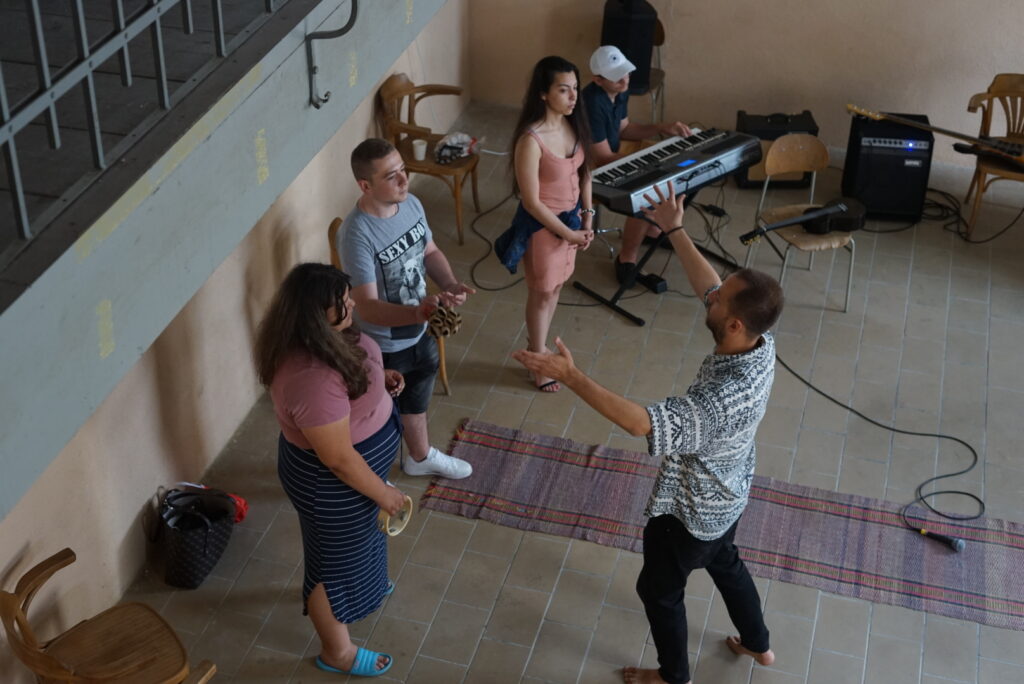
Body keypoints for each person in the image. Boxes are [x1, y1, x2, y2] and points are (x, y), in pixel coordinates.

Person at [513, 182, 784, 684]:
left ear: (733, 325)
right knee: (726, 561)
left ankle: (673, 676)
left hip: (690, 512)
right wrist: (675, 229)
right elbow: (711, 287)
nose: (710, 295)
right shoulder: (761, 341)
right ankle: (758, 643)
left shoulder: (718, 403)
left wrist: (571, 375)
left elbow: (641, 423)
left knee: (659, 591)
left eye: (719, 299)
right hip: (732, 492)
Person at [254, 263, 408, 677]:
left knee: (363, 536)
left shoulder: (329, 338)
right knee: (332, 567)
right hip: (332, 484)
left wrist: (379, 380)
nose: (352, 304)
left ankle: (368, 583)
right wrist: (384, 493)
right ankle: (337, 652)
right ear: (316, 315)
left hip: (356, 471)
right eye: (343, 302)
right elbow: (338, 459)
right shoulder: (310, 379)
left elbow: (350, 381)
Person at [338, 138, 474, 479]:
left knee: (417, 398)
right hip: (384, 347)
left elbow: (430, 252)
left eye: (403, 169)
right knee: (378, 418)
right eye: (391, 176)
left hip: (421, 330)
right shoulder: (357, 235)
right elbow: (367, 308)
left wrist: (449, 284)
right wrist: (416, 313)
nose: (404, 180)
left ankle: (419, 457)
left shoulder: (411, 204)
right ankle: (372, 481)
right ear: (366, 186)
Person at [497, 55, 595, 393]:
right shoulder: (531, 140)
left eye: (575, 89)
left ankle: (536, 346)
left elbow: (585, 174)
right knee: (541, 293)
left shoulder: (574, 124)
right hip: (544, 229)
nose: (573, 97)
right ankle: (538, 360)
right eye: (564, 90)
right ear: (543, 93)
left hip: (573, 223)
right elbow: (531, 202)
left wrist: (588, 215)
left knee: (556, 287)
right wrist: (569, 233)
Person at [581, 45, 694, 286]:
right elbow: (602, 158)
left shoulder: (619, 91)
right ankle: (627, 258)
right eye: (617, 77)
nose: (625, 80)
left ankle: (652, 230)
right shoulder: (590, 103)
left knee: (674, 173)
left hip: (612, 153)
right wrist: (648, 164)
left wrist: (662, 127)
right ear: (598, 80)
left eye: (626, 72)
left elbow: (624, 129)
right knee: (647, 188)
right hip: (587, 167)